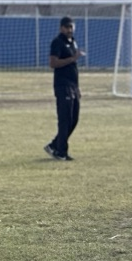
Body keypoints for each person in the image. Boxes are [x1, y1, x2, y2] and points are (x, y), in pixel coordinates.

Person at [45, 15, 84, 161]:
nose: (70, 29)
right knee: (65, 119)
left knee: (74, 119)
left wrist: (78, 87)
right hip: (62, 86)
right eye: (67, 27)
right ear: (61, 28)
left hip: (73, 86)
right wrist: (73, 58)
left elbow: (74, 67)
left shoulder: (73, 42)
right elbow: (53, 63)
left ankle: (54, 145)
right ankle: (61, 152)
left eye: (71, 27)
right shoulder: (57, 42)